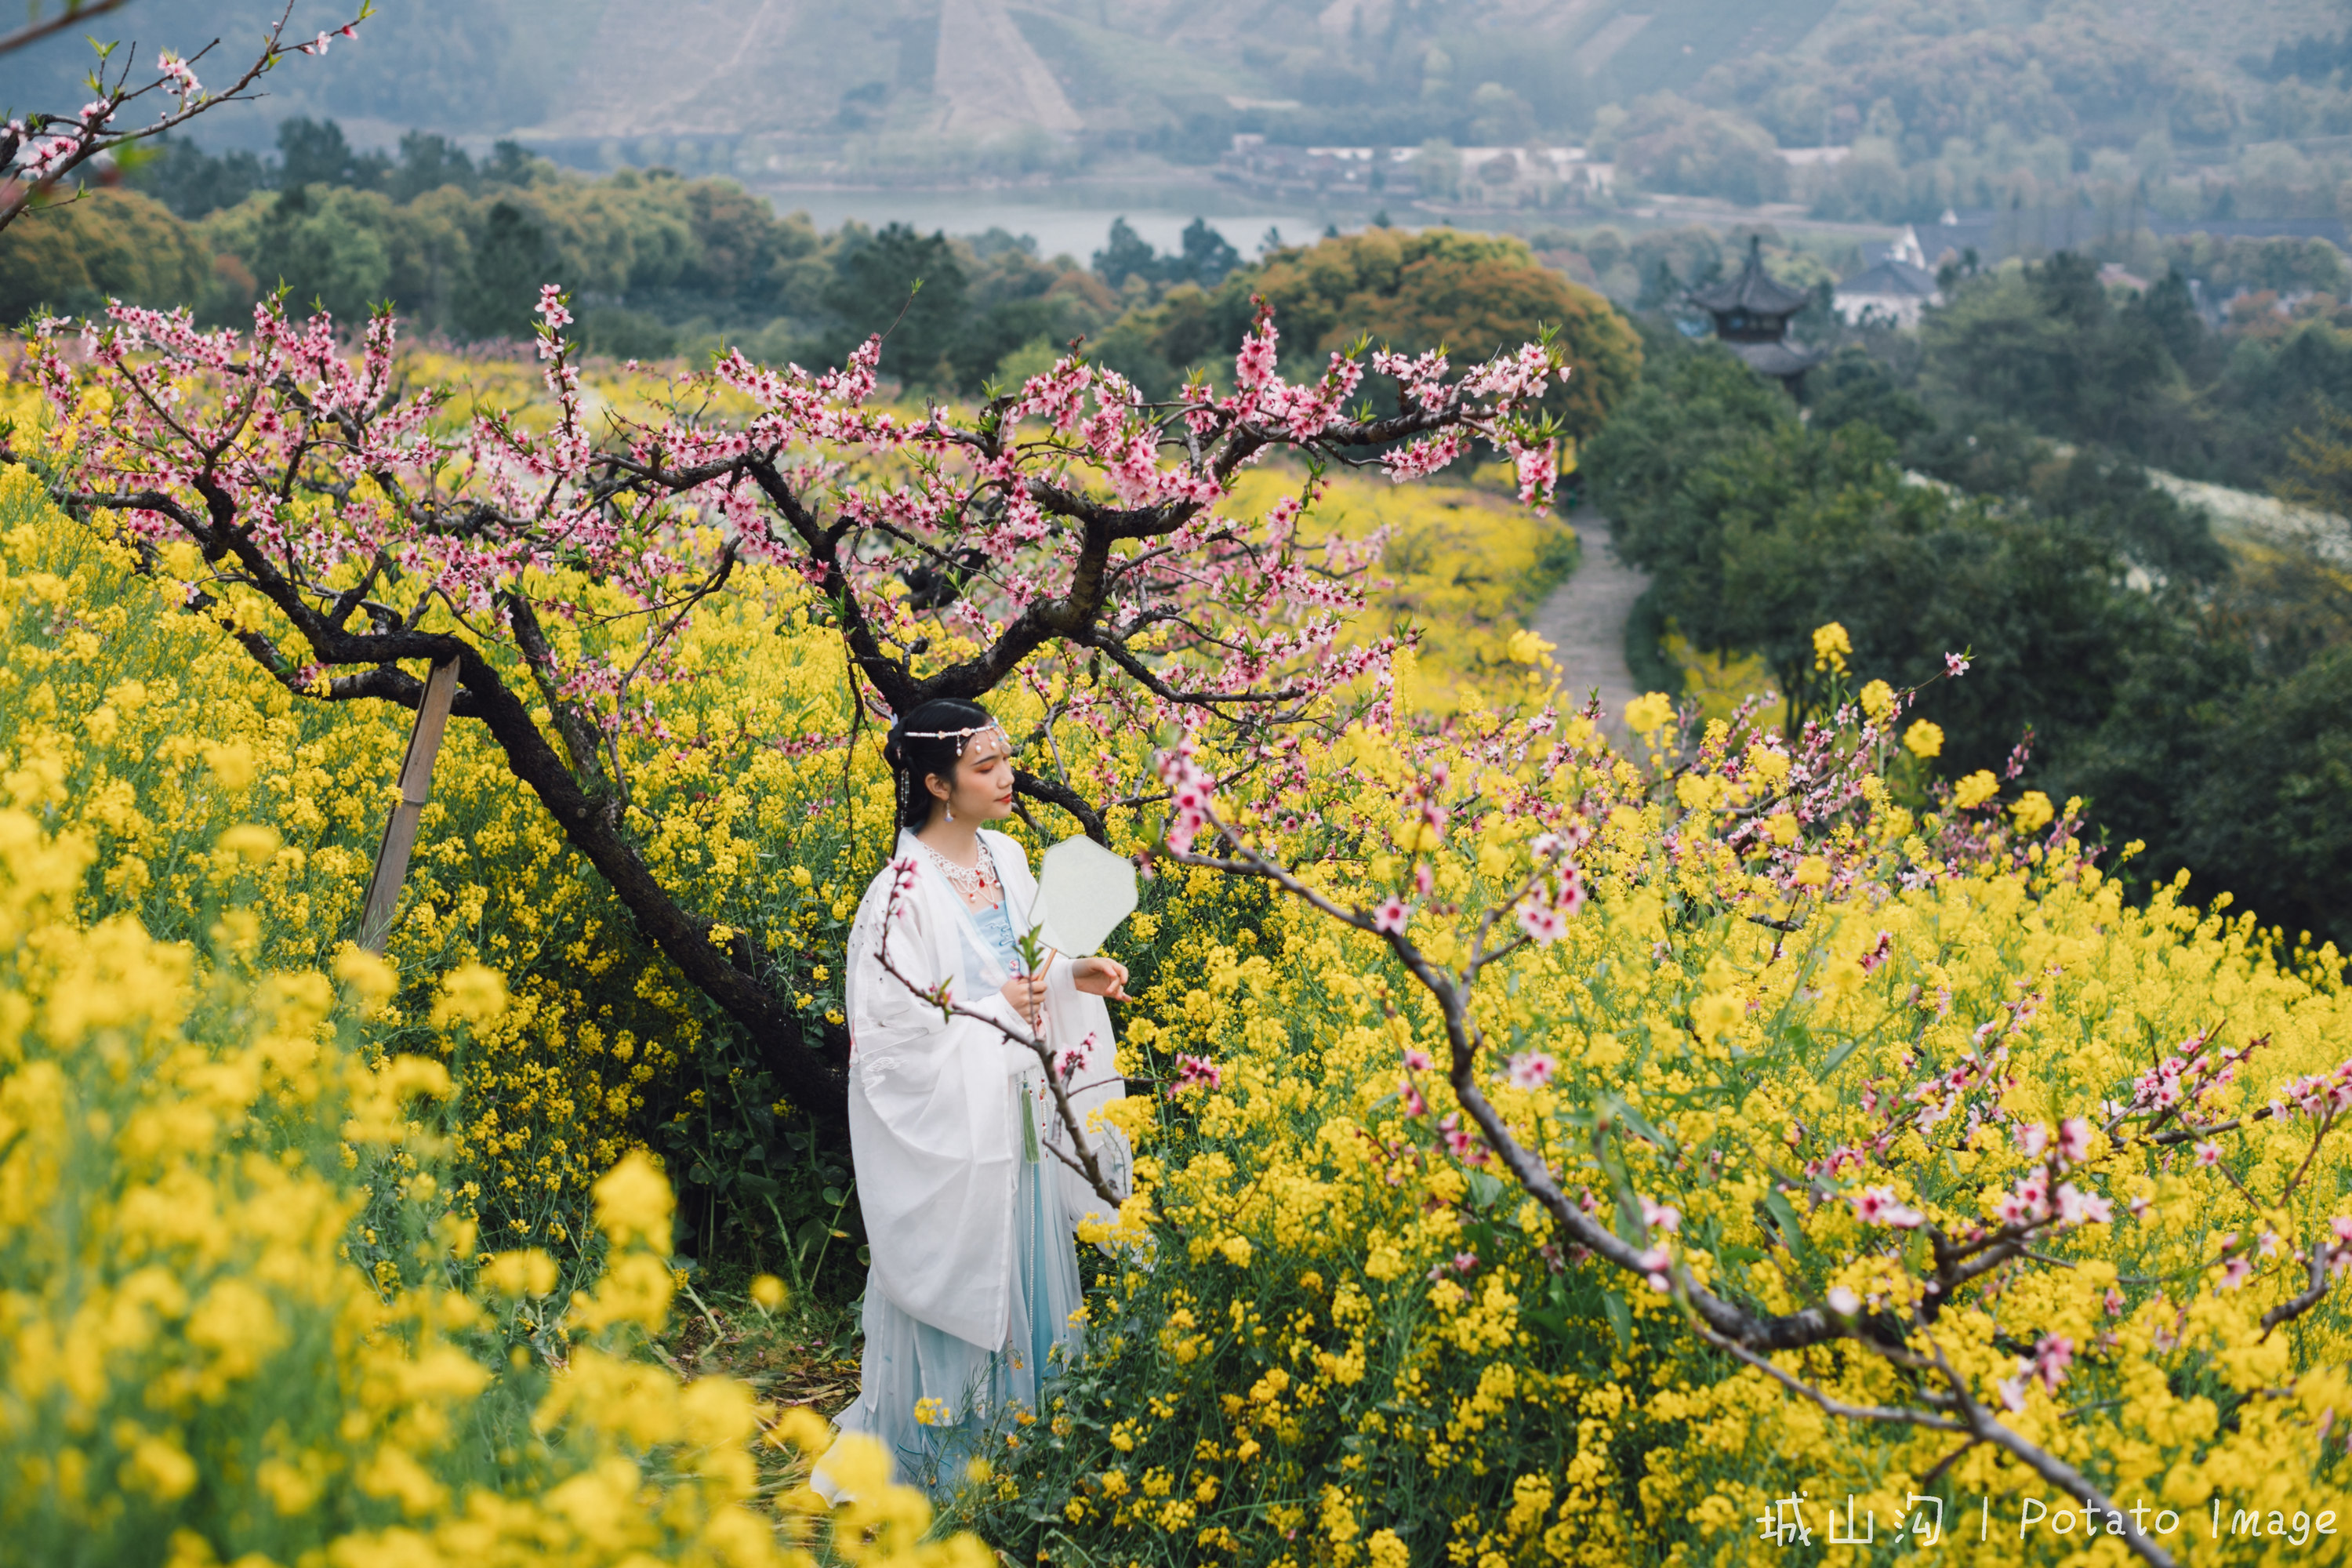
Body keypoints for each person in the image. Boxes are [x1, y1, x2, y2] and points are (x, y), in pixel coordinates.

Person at [815, 697, 1133, 1500]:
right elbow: (891, 1043)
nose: (1007, 776)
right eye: (984, 766)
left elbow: (1027, 970)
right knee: (969, 1268)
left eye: (1006, 759)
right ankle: (950, 1461)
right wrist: (1003, 1012)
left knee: (1024, 1261)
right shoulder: (898, 897)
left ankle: (1030, 1451)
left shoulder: (1008, 855)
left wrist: (1072, 975)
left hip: (1022, 1110)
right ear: (935, 781)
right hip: (960, 1130)